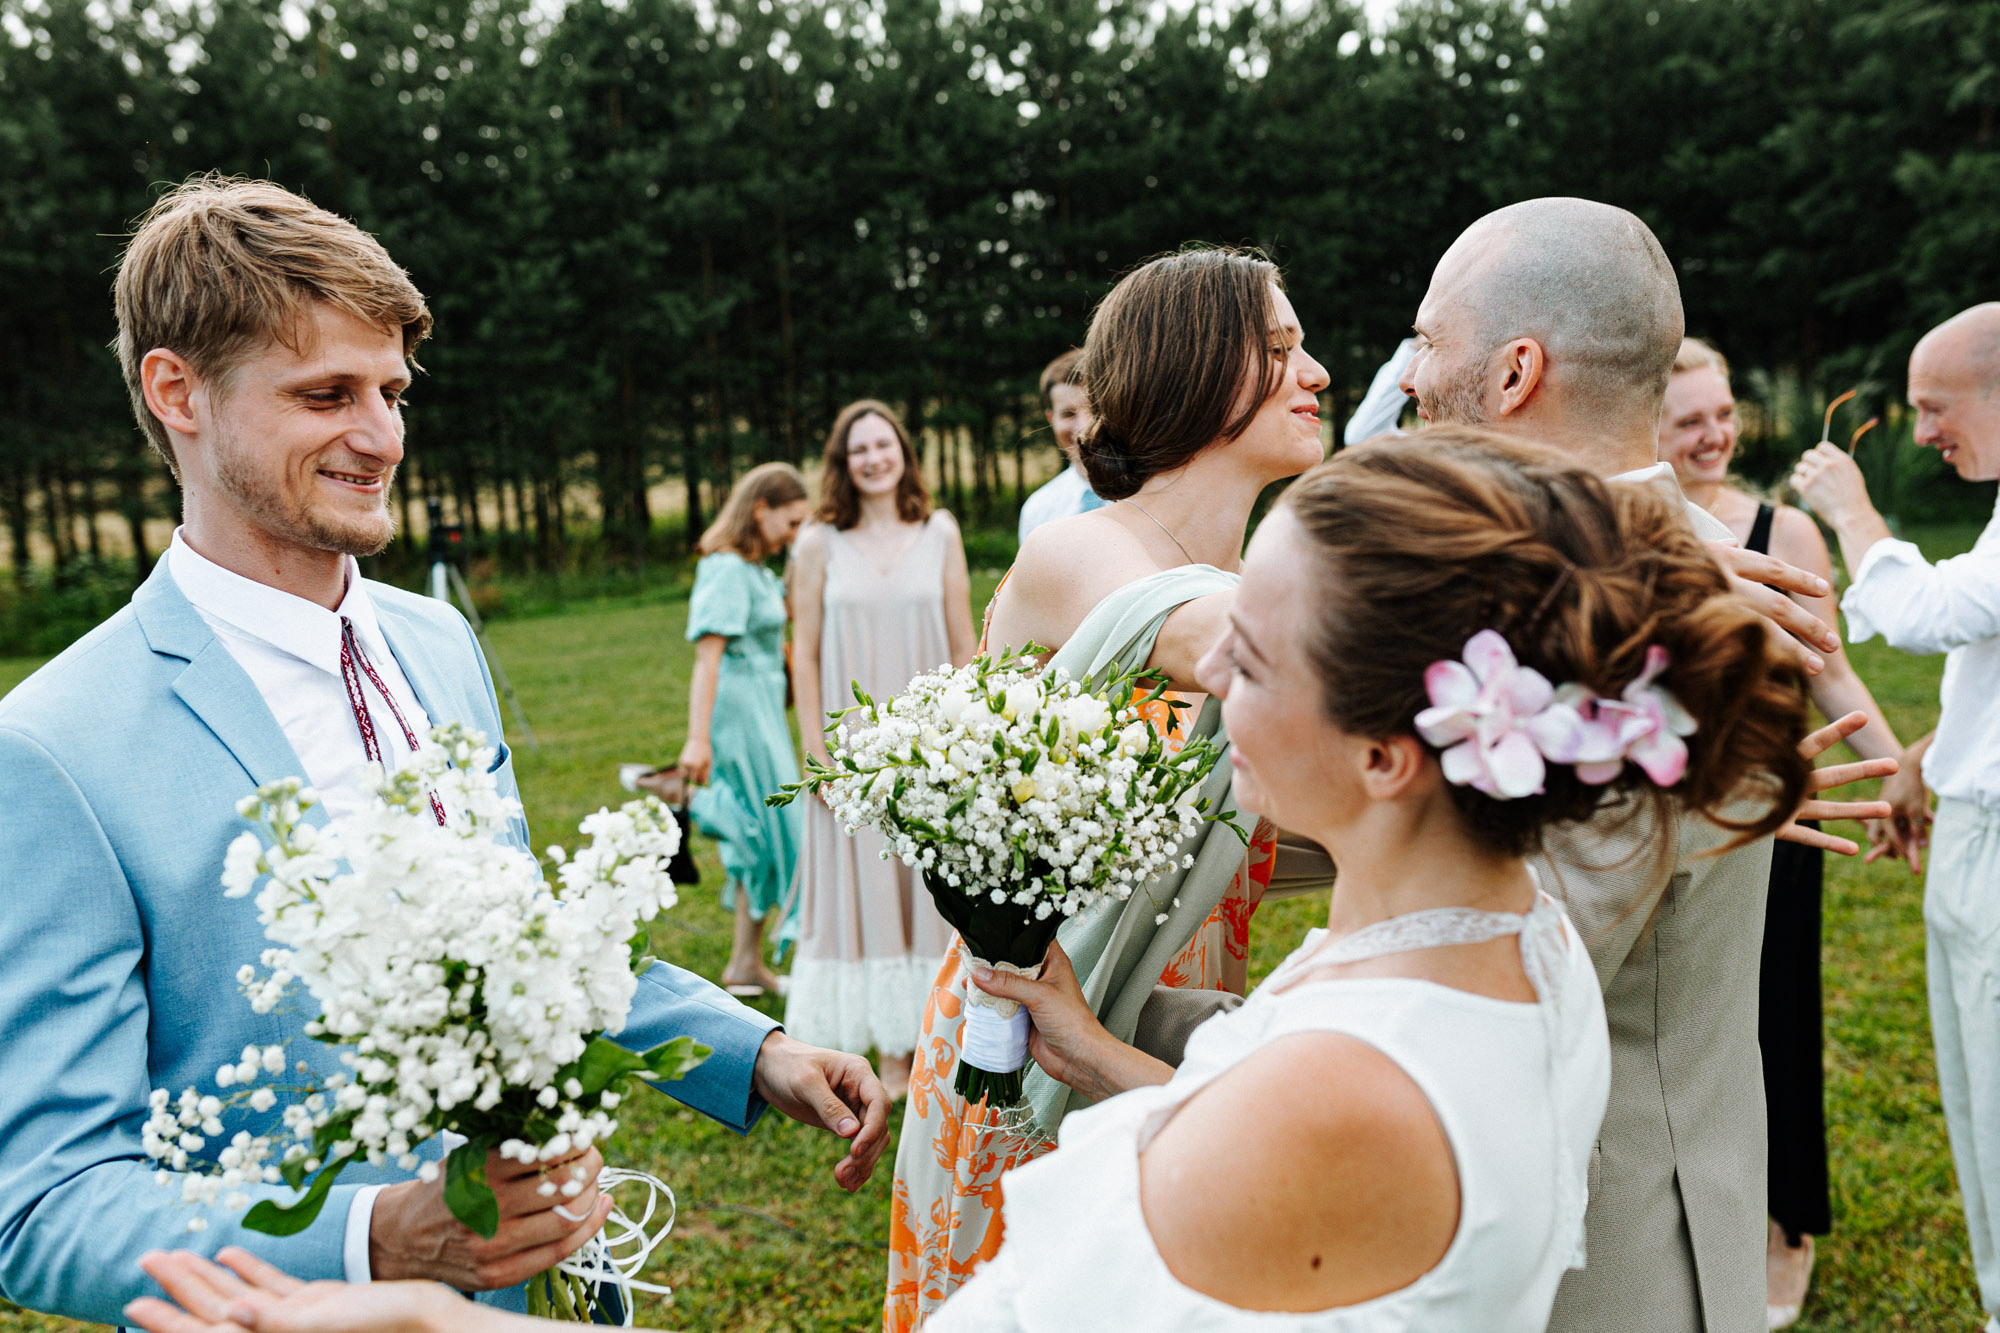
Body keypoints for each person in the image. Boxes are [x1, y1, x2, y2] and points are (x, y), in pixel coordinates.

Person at [127, 431, 1820, 1333]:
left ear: (1394, 751)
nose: (1205, 684)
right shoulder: (1494, 938)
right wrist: (1090, 1051)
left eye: (1248, 652)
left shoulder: (1352, 1085)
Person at [0, 176, 886, 1325]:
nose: (381, 438)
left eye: (392, 391)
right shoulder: (55, 748)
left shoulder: (435, 640)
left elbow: (516, 945)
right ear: (178, 391)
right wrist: (371, 1239)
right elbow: (45, 1203)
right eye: (326, 394)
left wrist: (742, 1046)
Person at [1393, 196, 1896, 1332]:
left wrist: (1176, 1048)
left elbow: (1515, 960)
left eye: (1427, 338)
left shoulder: (1682, 611)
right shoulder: (1585, 574)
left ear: (1515, 369)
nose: (1409, 373)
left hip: (1611, 1240)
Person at [885, 247, 1309, 1328]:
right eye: (1279, 348)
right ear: (1200, 370)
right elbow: (1232, 639)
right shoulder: (1083, 557)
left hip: (1165, 1044)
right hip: (1024, 1047)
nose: (1314, 373)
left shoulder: (1257, 582)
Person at [1659, 335, 1909, 1323]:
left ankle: (1783, 1223)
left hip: (1776, 810)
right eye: (1687, 422)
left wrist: (1895, 780)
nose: (1713, 434)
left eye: (1720, 413)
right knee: (1683, 1031)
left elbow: (1831, 675)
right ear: (1645, 425)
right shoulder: (1634, 529)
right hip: (1665, 808)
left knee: (1775, 1018)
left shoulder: (1783, 532)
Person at [1791, 301, 2000, 1332]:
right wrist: (1923, 757)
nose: (1919, 430)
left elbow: (1930, 616)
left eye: (1932, 406)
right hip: (1970, 829)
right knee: (1972, 1105)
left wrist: (1850, 512)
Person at [785, 400, 977, 1100]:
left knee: (927, 888)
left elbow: (963, 643)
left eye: (883, 445)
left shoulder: (941, 532)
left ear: (903, 452)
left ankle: (926, 1036)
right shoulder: (817, 542)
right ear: (843, 462)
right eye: (858, 449)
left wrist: (965, 739)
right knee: (864, 887)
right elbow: (801, 654)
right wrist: (817, 752)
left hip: (930, 743)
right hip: (852, 747)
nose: (873, 458)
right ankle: (883, 1047)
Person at [678, 462, 812, 996]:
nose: (795, 534)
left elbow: (789, 614)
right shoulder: (727, 568)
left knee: (758, 834)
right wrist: (698, 738)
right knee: (782, 829)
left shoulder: (757, 569)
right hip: (739, 715)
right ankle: (805, 957)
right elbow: (708, 659)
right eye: (792, 522)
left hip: (764, 710)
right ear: (762, 510)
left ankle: (744, 965)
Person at [1014, 349, 1102, 541]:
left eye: (1094, 411)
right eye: (1069, 414)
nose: (1084, 427)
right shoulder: (1038, 510)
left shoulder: (1152, 495)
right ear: (1050, 418)